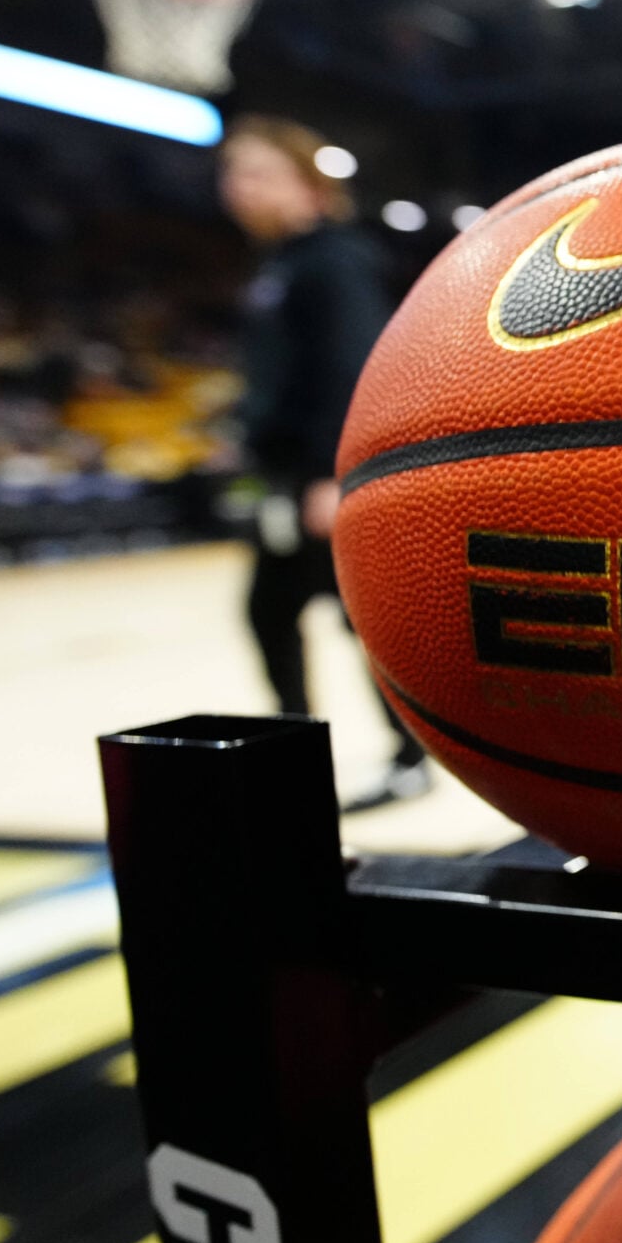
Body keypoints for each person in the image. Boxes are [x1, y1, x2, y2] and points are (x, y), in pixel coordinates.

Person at [222, 115, 429, 805]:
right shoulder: (279, 264)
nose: (239, 188)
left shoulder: (333, 259)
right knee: (270, 612)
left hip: (323, 476)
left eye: (259, 172)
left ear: (311, 186)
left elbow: (353, 370)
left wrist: (335, 474)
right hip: (284, 477)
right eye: (233, 173)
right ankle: (295, 759)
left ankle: (410, 758)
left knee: (363, 620)